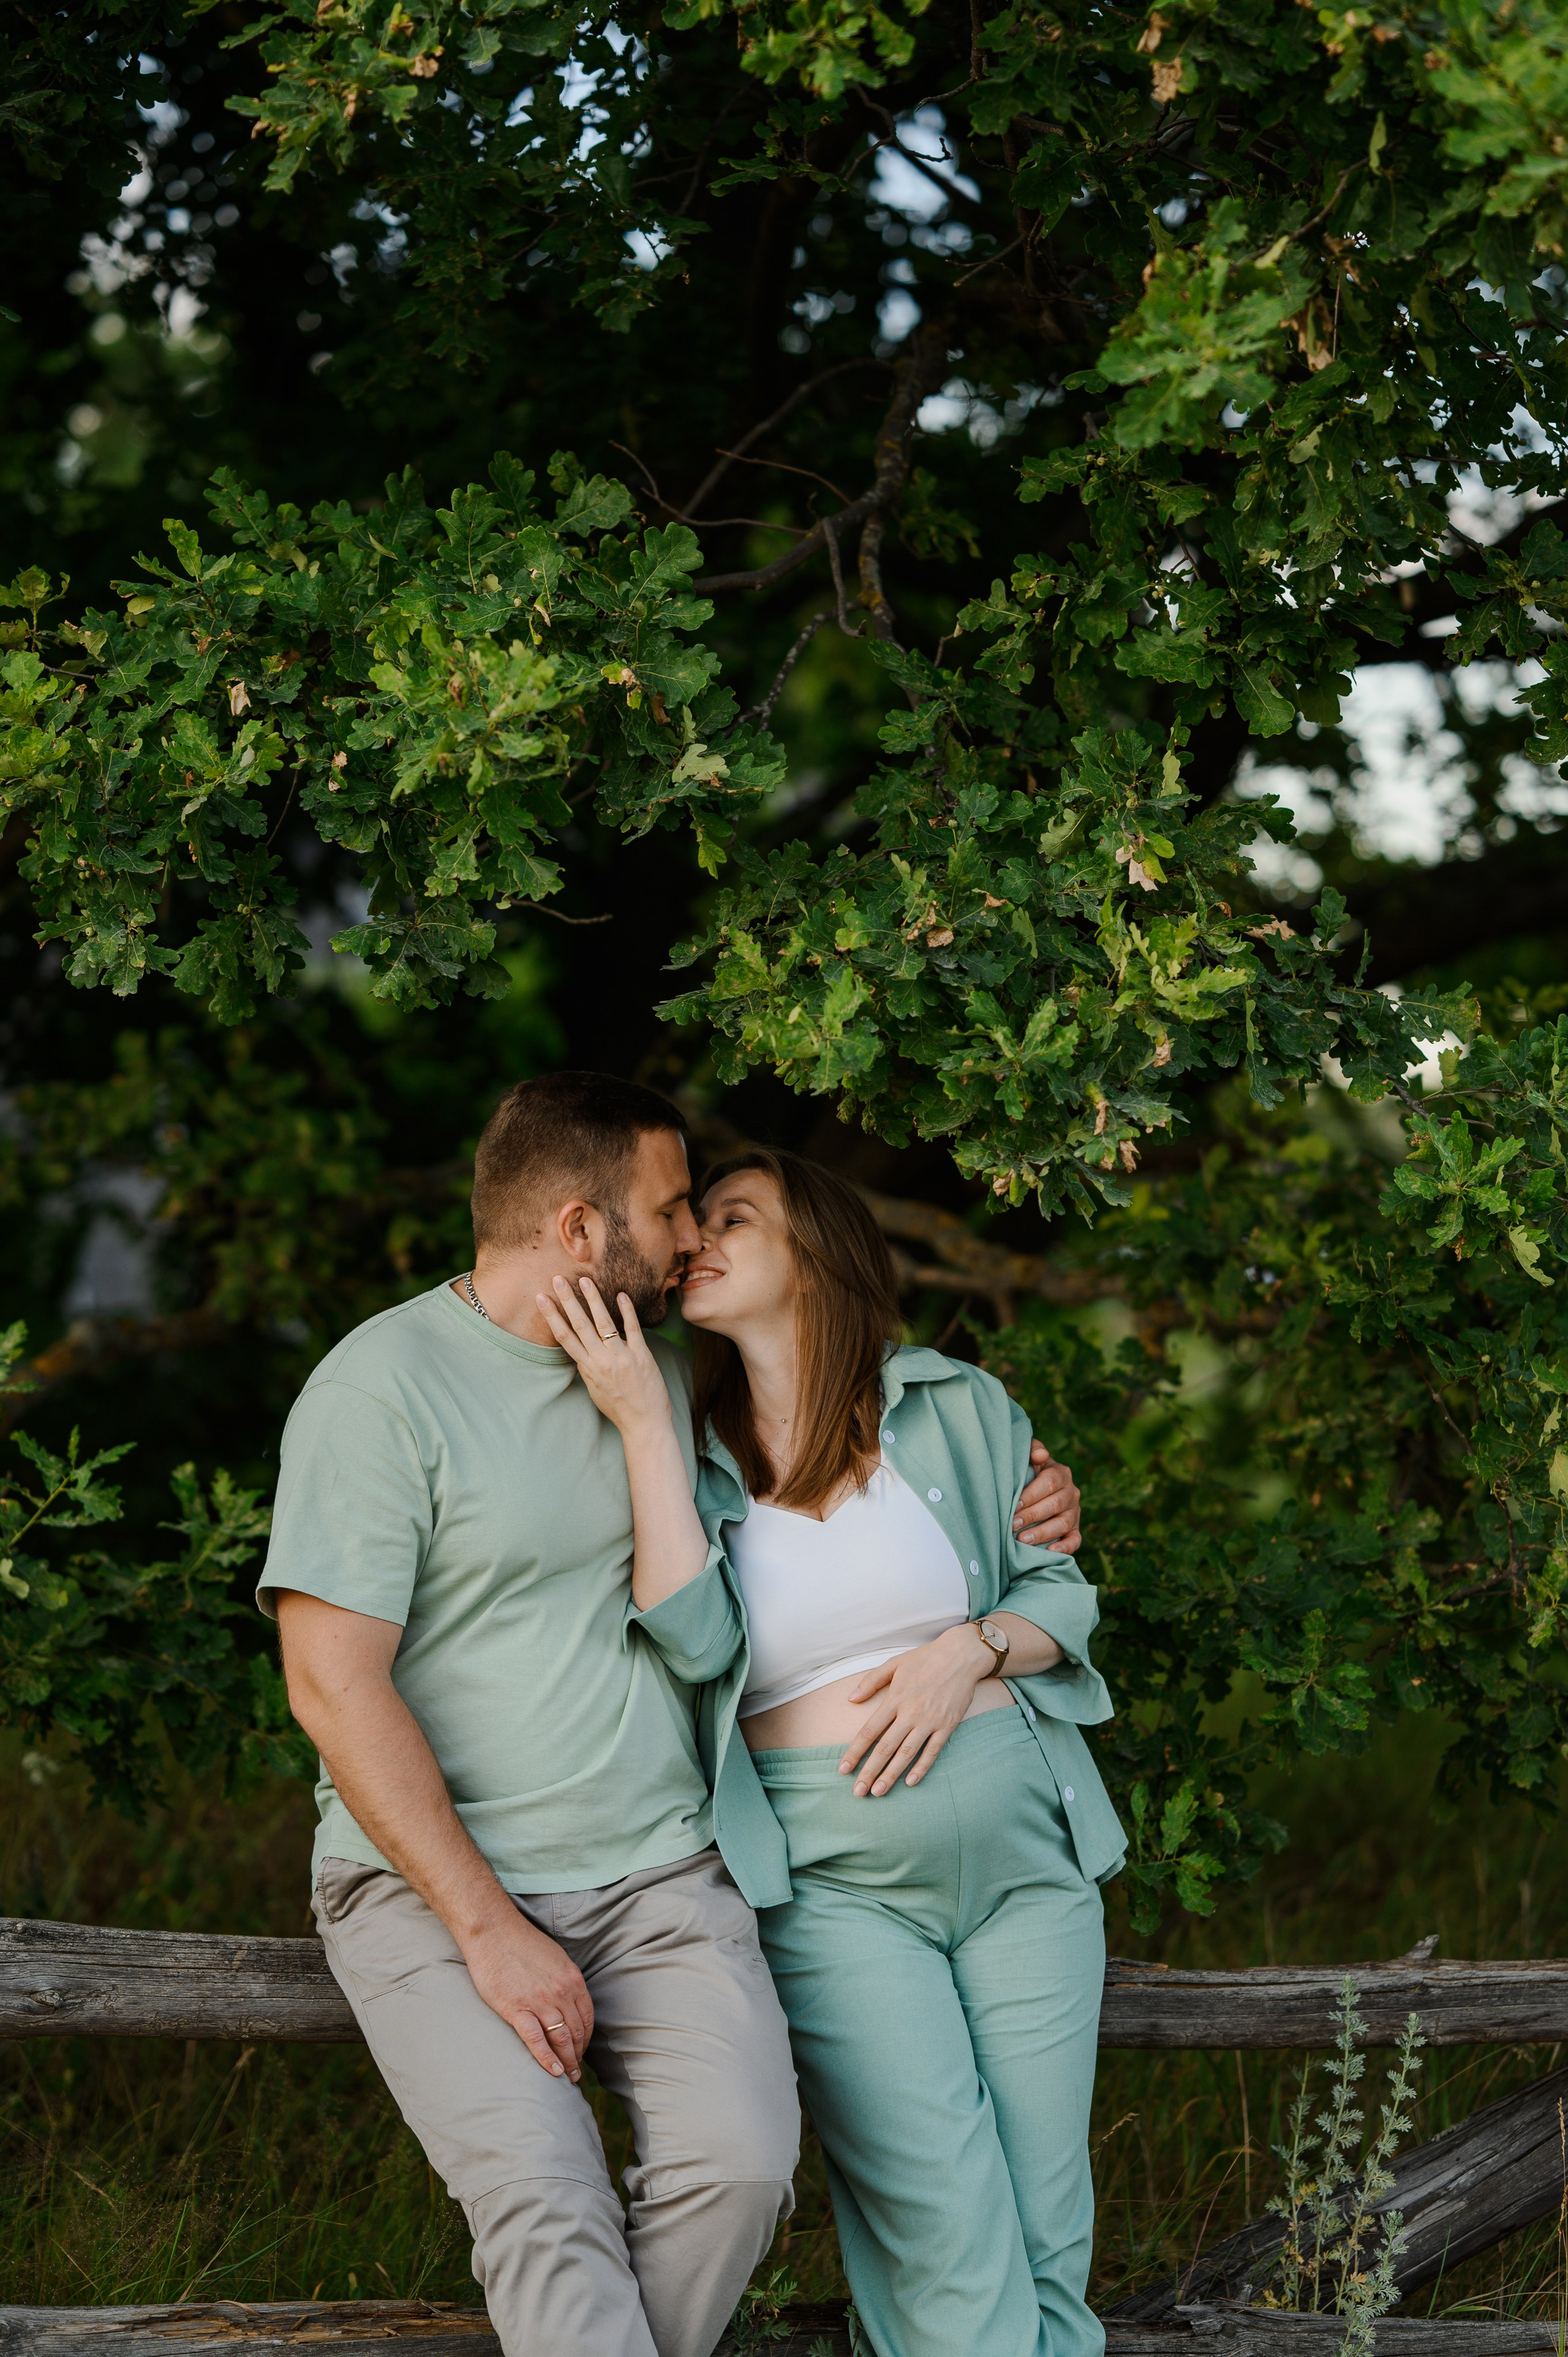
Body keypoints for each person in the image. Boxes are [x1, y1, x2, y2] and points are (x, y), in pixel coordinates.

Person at [260, 1073, 1083, 2357]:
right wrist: (486, 1927)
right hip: (441, 1887)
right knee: (547, 2201)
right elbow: (328, 1683)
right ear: (582, 1232)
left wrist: (1027, 1516)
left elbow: (878, 1497)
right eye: (672, 1206)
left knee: (744, 2169)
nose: (692, 1232)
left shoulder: (676, 1402)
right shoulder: (382, 1389)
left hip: (661, 1871)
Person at [539, 1145, 1124, 2357]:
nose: (696, 1235)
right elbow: (694, 1644)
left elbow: (1058, 1605)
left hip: (1027, 1856)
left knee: (1046, 2227)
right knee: (944, 2224)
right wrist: (646, 1429)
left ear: (814, 1255)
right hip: (834, 1884)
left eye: (732, 1217)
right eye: (691, 1219)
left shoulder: (955, 1406)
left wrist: (964, 1650)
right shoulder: (688, 1457)